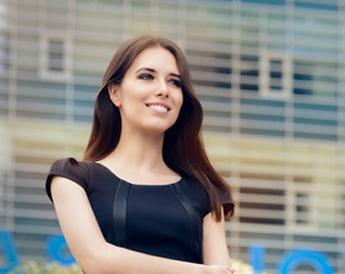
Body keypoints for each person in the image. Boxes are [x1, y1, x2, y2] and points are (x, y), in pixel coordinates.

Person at [45, 36, 235, 274]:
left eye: (175, 82)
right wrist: (197, 272)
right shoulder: (73, 179)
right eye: (147, 76)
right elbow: (97, 261)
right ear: (115, 93)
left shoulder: (204, 191)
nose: (163, 90)